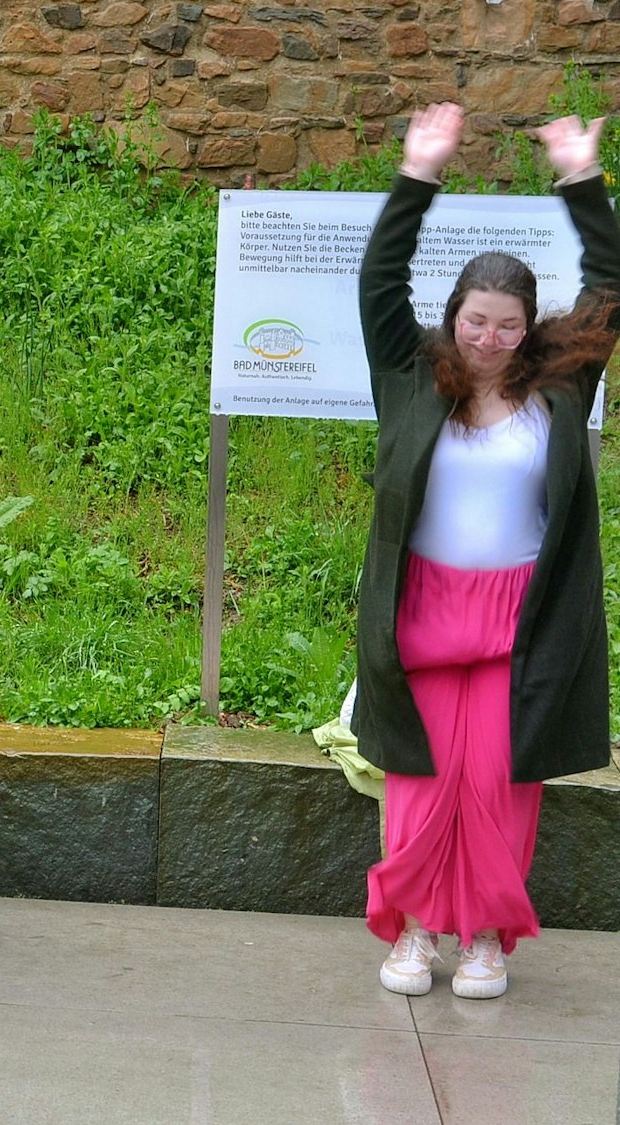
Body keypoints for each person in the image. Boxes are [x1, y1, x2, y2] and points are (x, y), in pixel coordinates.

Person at [355, 103, 619, 1000]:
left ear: (530, 327)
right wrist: (418, 174)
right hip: (425, 610)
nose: (490, 340)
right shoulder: (408, 374)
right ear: (453, 316)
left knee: (502, 785)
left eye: (508, 325)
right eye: (476, 321)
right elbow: (378, 278)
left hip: (522, 618)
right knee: (420, 782)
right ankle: (416, 932)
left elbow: (612, 280)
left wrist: (581, 180)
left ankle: (488, 940)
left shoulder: (560, 385)